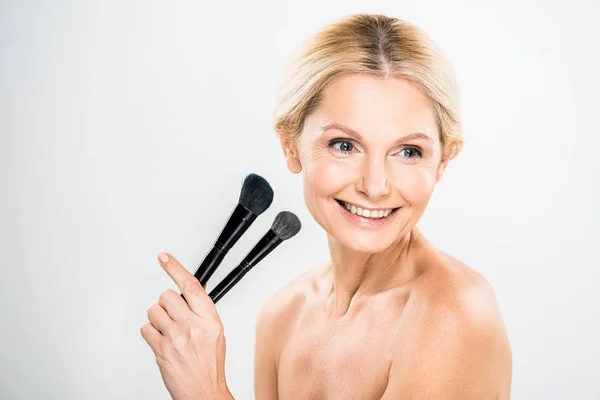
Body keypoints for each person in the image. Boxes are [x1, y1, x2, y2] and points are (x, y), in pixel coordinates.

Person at [140, 13, 512, 400]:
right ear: (290, 145)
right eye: (345, 145)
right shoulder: (282, 315)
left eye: (408, 151)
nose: (375, 185)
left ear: (442, 161)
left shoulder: (452, 314)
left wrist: (205, 390)